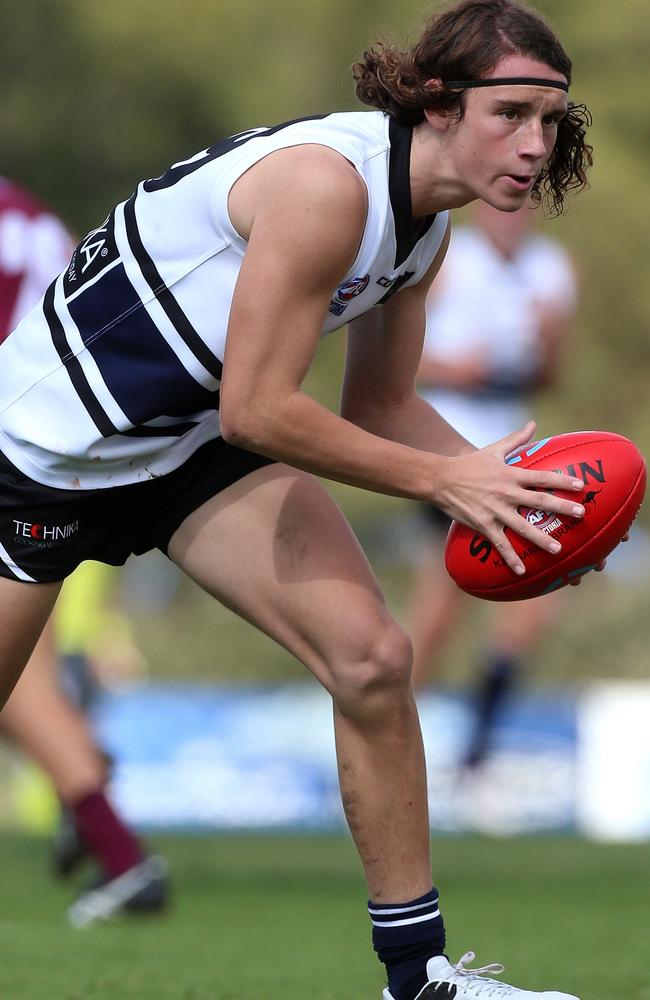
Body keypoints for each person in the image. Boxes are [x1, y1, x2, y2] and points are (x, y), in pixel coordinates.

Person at [0, 0, 592, 995]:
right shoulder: (328, 187)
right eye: (513, 113)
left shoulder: (422, 232)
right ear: (438, 102)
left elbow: (382, 403)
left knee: (371, 657)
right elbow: (260, 409)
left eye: (551, 121)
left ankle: (419, 975)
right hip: (46, 448)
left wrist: (518, 498)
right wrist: (451, 482)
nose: (534, 144)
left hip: (180, 443)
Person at [0, 176, 168, 926]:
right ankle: (105, 829)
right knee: (22, 668)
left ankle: (110, 836)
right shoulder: (32, 210)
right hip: (75, 440)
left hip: (21, 442)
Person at [407, 198, 578, 769]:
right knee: (443, 604)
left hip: (516, 452)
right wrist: (455, 369)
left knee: (534, 604)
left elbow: (549, 376)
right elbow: (398, 364)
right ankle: (396, 728)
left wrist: (546, 342)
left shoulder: (550, 270)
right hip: (450, 444)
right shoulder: (450, 258)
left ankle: (478, 742)